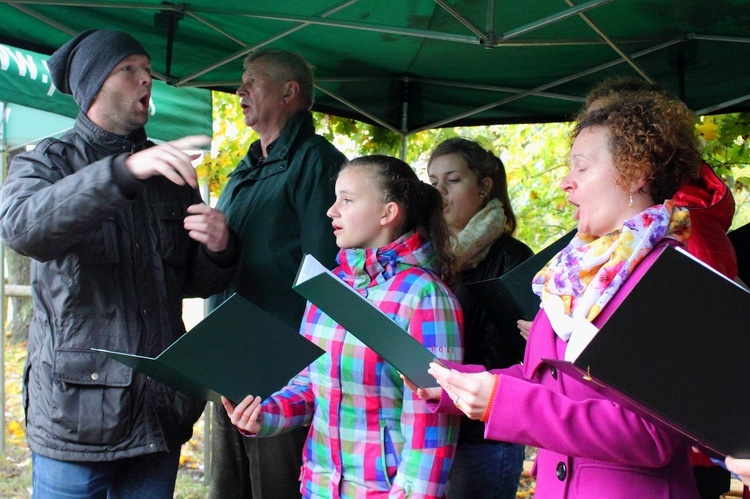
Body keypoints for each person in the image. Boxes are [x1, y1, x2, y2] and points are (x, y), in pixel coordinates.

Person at [410, 98, 709, 498]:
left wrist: (502, 403)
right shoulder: (575, 271)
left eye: (581, 168)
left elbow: (650, 434)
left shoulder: (668, 276)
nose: (565, 182)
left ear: (636, 173)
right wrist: (460, 384)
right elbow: (546, 381)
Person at [0, 29, 238, 497]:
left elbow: (189, 280)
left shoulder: (169, 169)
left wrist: (219, 247)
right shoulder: (46, 162)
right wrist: (123, 173)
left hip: (160, 411)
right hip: (76, 418)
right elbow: (23, 230)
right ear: (92, 85)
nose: (145, 79)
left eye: (148, 70)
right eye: (128, 69)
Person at [222, 155, 464, 498]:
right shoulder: (327, 287)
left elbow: (432, 426)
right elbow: (309, 386)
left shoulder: (425, 297)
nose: (331, 211)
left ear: (387, 213)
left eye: (347, 200)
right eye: (335, 199)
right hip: (317, 487)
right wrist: (265, 416)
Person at [582, 76, 738, 499]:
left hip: (686, 452)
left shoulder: (689, 233)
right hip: (618, 451)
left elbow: (705, 353)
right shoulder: (619, 240)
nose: (571, 181)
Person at [208, 48, 347, 498]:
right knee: (228, 487)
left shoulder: (316, 162)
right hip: (230, 355)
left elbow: (326, 269)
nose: (239, 90)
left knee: (275, 487)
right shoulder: (244, 171)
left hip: (281, 363)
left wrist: (301, 364)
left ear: (290, 92)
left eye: (252, 80)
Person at [427, 138, 532, 498]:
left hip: (484, 432)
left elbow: (526, 352)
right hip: (432, 423)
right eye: (433, 182)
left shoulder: (513, 256)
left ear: (484, 187)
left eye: (452, 180)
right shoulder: (426, 256)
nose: (440, 192)